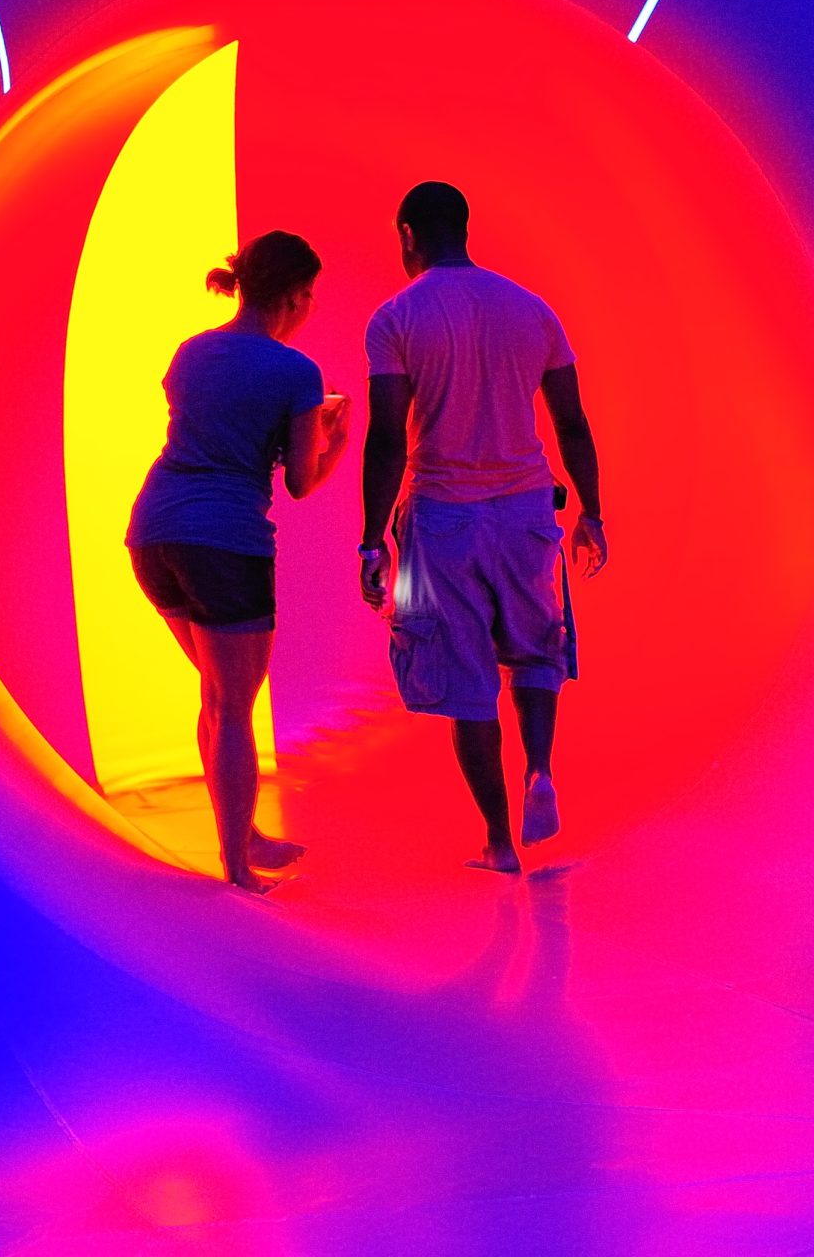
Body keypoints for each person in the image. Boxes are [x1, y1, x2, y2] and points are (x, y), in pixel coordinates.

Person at [357, 182, 607, 873]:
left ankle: (499, 841)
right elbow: (572, 421)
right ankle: (541, 769)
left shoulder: (396, 317)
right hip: (526, 508)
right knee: (535, 652)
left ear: (408, 233)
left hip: (443, 518)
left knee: (466, 680)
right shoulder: (531, 309)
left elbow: (385, 436)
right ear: (465, 228)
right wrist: (592, 508)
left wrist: (372, 535)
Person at [129, 230, 351, 891]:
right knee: (234, 704)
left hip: (154, 533)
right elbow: (301, 482)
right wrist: (334, 437)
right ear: (292, 296)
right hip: (225, 543)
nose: (311, 308)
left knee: (218, 694)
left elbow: (208, 423)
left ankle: (241, 828)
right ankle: (236, 865)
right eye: (310, 297)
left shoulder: (192, 351)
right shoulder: (295, 371)